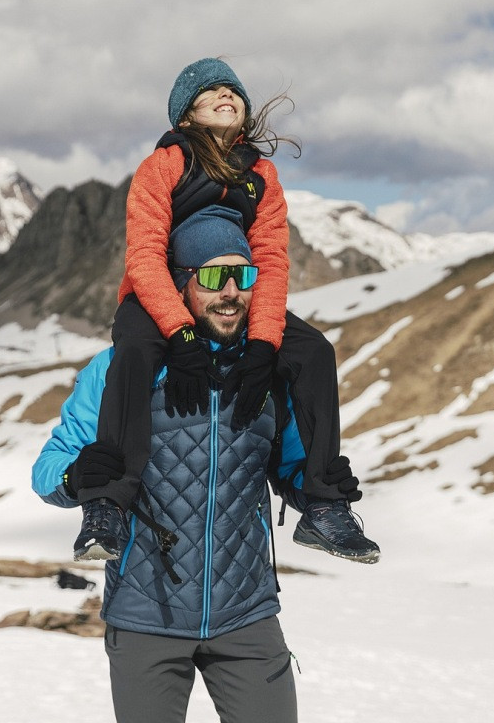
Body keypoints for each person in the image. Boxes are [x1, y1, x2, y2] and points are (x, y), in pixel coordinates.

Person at [33, 209, 362, 722]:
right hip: (145, 617)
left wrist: (318, 487)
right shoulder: (121, 368)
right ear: (180, 284)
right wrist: (75, 476)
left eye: (243, 276)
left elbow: (291, 466)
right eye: (213, 277)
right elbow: (47, 469)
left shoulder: (269, 373)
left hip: (247, 616)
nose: (231, 292)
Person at [71, 57, 378, 565]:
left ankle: (323, 504)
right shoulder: (162, 166)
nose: (225, 94)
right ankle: (108, 503)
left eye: (232, 90)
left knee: (314, 352)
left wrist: (263, 344)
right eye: (209, 91)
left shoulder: (261, 175)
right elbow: (144, 256)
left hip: (236, 289)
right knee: (135, 350)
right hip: (161, 291)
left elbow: (271, 261)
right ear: (184, 116)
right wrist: (179, 332)